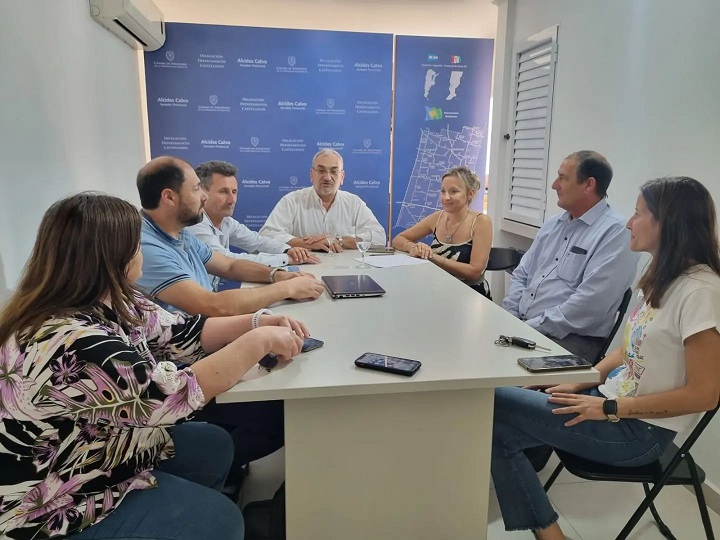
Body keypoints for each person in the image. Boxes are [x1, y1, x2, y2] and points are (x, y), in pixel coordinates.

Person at [0, 193, 311, 539]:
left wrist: (256, 322)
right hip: (54, 502)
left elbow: (178, 331)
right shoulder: (68, 340)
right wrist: (259, 342)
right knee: (220, 521)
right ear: (113, 257)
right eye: (135, 243)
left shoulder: (113, 297)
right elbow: (167, 397)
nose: (141, 250)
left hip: (101, 449)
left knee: (213, 445)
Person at [491, 176, 720, 540]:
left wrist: (610, 409)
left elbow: (705, 395)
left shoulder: (701, 292)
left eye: (639, 213)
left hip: (638, 433)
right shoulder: (664, 278)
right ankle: (551, 535)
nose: (629, 222)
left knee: (494, 399)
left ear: (669, 223)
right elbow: (625, 350)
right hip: (608, 404)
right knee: (499, 427)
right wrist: (581, 379)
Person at [135, 156, 325, 316]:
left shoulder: (180, 232)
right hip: (181, 354)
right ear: (169, 197)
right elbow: (212, 306)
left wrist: (277, 275)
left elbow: (229, 265)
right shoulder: (146, 248)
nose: (203, 196)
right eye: (196, 189)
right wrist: (287, 288)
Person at [502, 150, 639, 362]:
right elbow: (522, 274)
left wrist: (526, 328)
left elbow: (589, 306)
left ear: (588, 185)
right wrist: (509, 317)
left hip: (571, 341)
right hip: (525, 328)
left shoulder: (616, 233)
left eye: (563, 178)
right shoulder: (552, 225)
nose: (554, 185)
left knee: (491, 378)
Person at [187, 160, 320, 291]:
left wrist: (286, 250)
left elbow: (257, 241)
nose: (232, 200)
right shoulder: (195, 225)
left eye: (234, 192)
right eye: (223, 192)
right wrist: (285, 259)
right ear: (202, 193)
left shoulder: (226, 221)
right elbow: (228, 261)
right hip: (188, 309)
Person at [391, 166, 493, 297]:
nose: (446, 197)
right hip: (436, 291)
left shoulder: (481, 222)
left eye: (453, 191)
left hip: (469, 296)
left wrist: (433, 256)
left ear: (470, 194)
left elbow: (474, 273)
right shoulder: (438, 217)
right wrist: (416, 248)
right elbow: (398, 239)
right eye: (443, 191)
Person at [259, 149, 386, 251]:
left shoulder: (354, 202)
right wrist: (308, 244)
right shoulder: (292, 201)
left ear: (342, 177)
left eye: (334, 171)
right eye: (321, 171)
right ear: (311, 175)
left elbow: (379, 237)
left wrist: (339, 240)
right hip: (304, 270)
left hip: (345, 271)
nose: (327, 177)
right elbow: (266, 235)